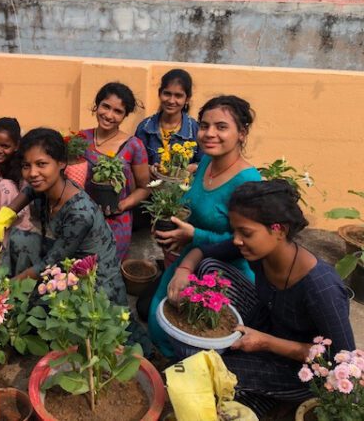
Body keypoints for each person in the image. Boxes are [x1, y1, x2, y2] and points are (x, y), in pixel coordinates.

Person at [167, 180, 355, 418]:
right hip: (267, 321)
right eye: (234, 230)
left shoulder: (321, 287)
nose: (236, 240)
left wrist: (266, 342)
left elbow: (342, 359)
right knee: (210, 267)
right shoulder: (259, 251)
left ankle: (272, 400)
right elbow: (203, 252)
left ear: (279, 230)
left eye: (245, 233)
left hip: (299, 369)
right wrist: (183, 270)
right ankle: (258, 393)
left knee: (209, 370)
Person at [145, 95, 262, 356]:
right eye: (204, 125)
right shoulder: (207, 163)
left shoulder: (248, 184)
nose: (209, 134)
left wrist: (194, 235)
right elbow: (192, 205)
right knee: (157, 315)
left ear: (242, 133)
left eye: (221, 127)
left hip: (224, 269)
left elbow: (245, 243)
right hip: (193, 254)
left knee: (194, 331)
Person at [0, 127, 127, 306]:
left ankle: (18, 303)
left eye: (41, 164)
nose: (33, 173)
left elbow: (49, 264)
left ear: (61, 163)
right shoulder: (46, 186)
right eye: (27, 166)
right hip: (68, 259)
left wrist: (9, 288)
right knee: (19, 238)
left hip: (93, 281)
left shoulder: (80, 214)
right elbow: (24, 196)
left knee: (38, 303)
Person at [82, 82, 150, 261]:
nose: (109, 115)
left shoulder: (134, 146)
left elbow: (145, 187)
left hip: (116, 221)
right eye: (106, 106)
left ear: (124, 116)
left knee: (106, 272)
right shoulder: (81, 139)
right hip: (83, 219)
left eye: (118, 111)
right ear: (97, 105)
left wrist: (121, 205)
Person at [135, 69, 202, 173]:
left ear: (187, 99)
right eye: (167, 94)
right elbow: (136, 163)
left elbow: (207, 163)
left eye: (178, 96)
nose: (171, 101)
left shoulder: (195, 130)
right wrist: (149, 169)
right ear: (159, 94)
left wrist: (193, 167)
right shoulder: (145, 128)